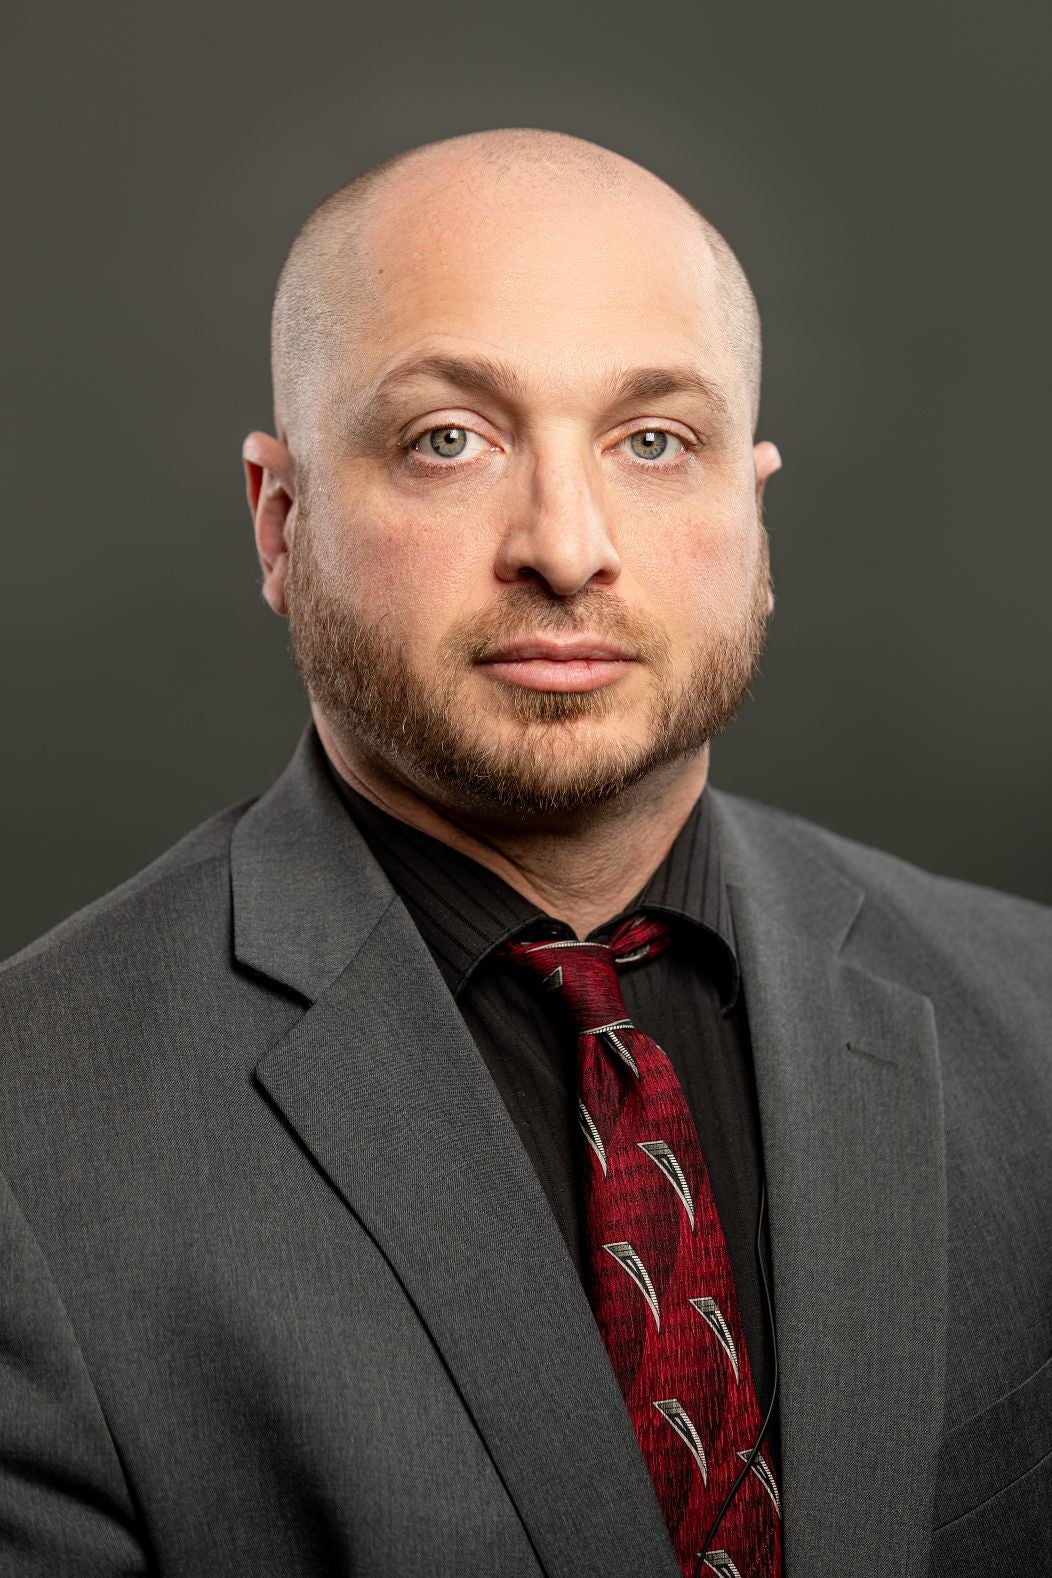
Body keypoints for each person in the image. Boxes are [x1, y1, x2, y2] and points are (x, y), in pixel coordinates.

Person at [0, 127, 1048, 1578]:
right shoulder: (28, 1140)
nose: (568, 545)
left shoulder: (1035, 1015)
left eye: (653, 440)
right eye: (450, 439)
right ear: (280, 518)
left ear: (752, 516)